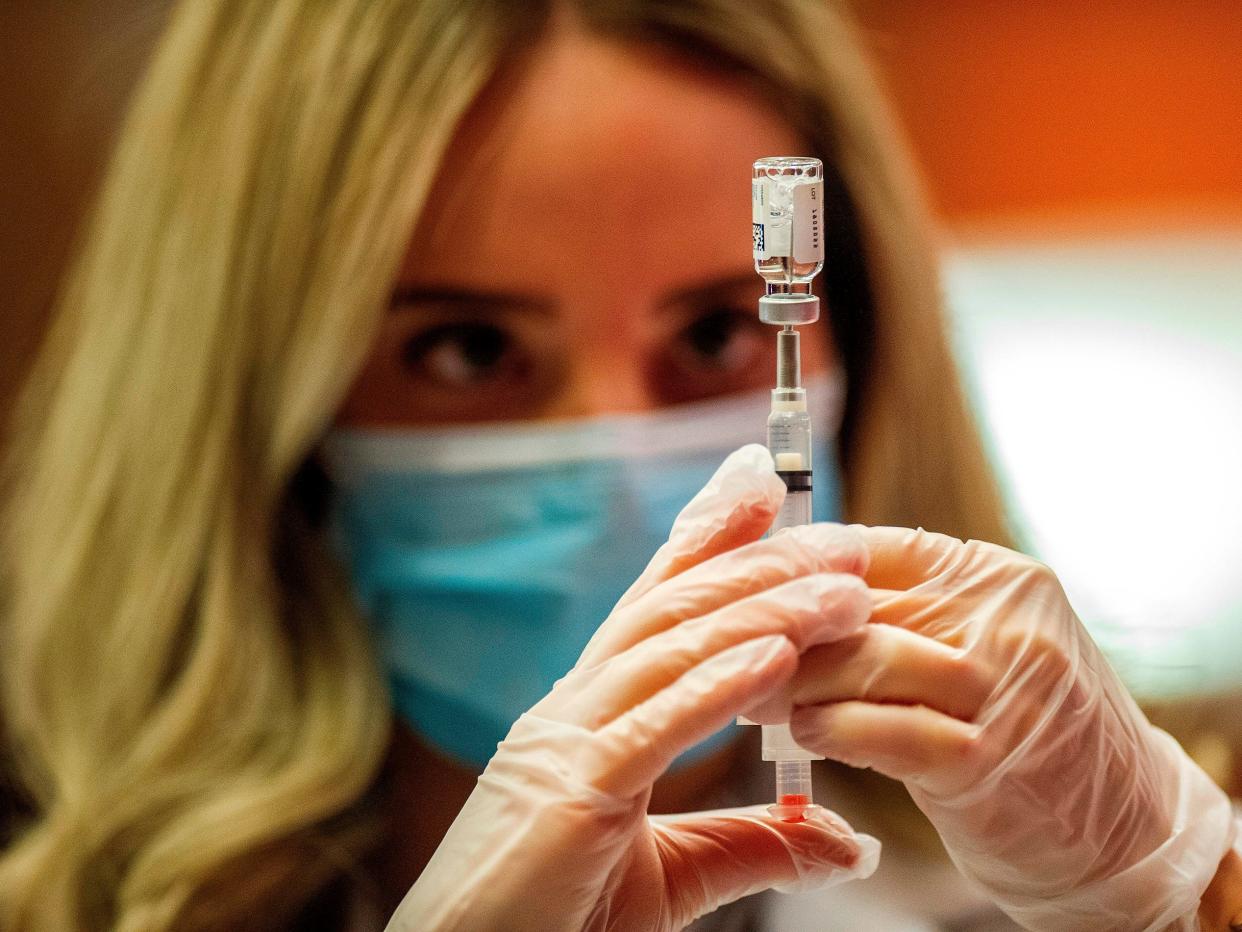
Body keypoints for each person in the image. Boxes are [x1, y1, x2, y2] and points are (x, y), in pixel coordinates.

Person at [1, 0, 1238, 929]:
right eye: (468, 348)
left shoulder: (1096, 873)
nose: (631, 464)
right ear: (262, 421)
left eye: (713, 334)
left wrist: (1178, 887)